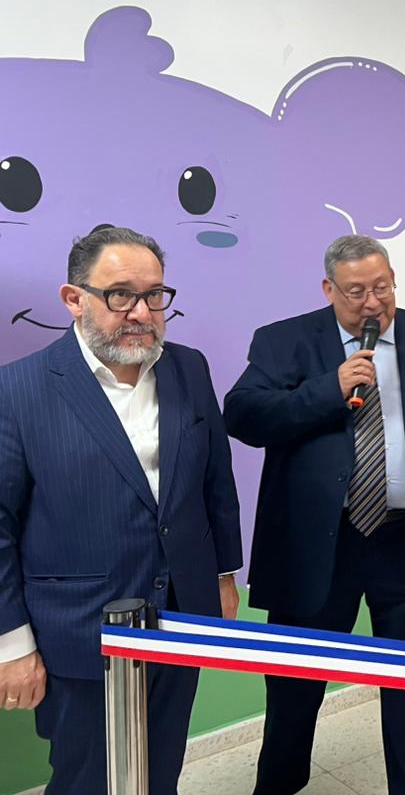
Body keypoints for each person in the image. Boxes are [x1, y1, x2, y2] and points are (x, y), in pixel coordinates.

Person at [224, 235, 405, 795]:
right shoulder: (284, 341)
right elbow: (243, 415)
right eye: (356, 292)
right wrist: (329, 388)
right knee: (295, 688)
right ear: (329, 289)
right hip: (317, 545)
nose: (373, 303)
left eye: (383, 287)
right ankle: (279, 784)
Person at [0, 226, 242, 794]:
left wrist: (222, 576)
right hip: (78, 631)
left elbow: (215, 480)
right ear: (74, 298)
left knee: (160, 771)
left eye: (154, 294)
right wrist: (12, 645)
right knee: (88, 780)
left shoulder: (188, 368)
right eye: (120, 295)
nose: (142, 312)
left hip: (181, 614)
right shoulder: (19, 389)